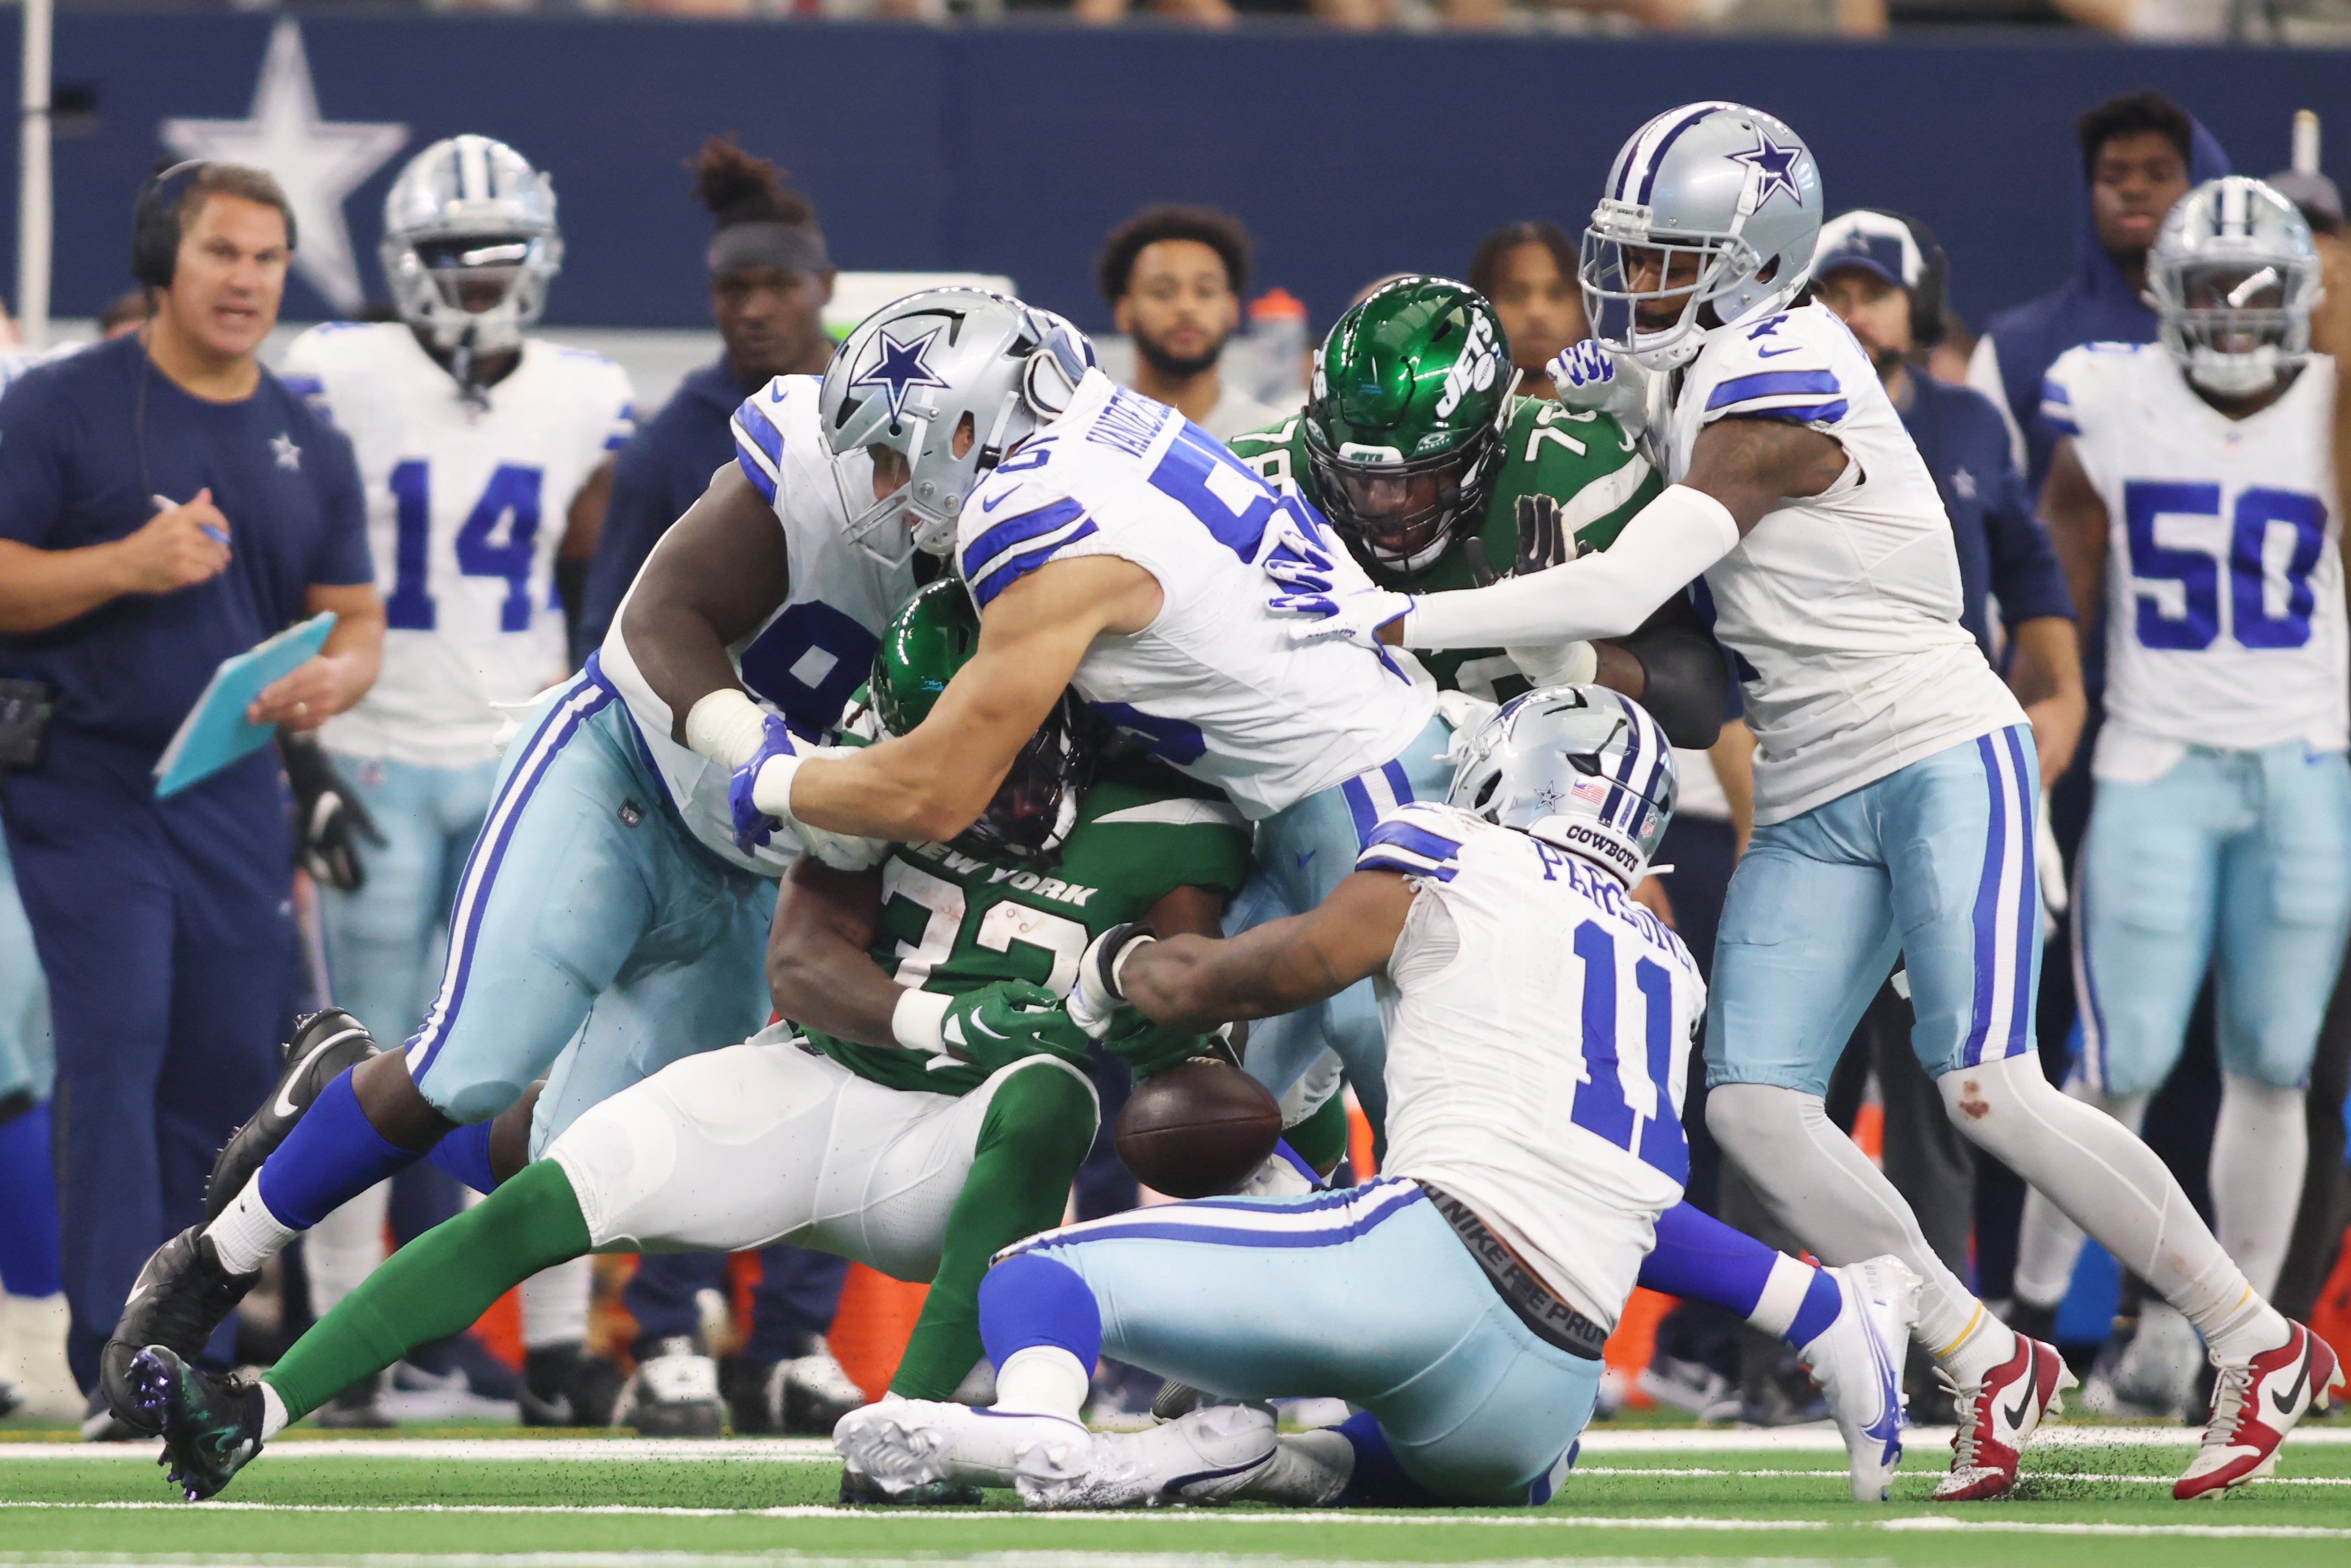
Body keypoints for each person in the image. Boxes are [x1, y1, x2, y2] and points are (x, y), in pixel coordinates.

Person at [1281, 101, 2340, 1501]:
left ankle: (2251, 1336)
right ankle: (1977, 1348)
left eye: (1660, 259)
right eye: (1627, 256)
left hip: (1931, 739)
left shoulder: (1782, 379)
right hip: (1810, 770)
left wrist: (1393, 618)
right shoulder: (1697, 350)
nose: (1627, 285)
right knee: (1754, 1108)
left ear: (1748, 261)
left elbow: (1619, 589)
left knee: (1985, 1082)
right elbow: (1590, 382)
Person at [734, 289, 1951, 1504]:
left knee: (1462, 1163)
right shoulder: (1104, 427)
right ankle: (1232, 1406)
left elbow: (939, 789)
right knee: (1228, 1113)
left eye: (900, 449)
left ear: (972, 424)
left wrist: (765, 771)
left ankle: (1806, 1315)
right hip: (1314, 794)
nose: (889, 485)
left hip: (1363, 796)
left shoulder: (1029, 510)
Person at [126, 579, 1253, 1499]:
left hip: (951, 1153)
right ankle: (256, 1408)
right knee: (547, 1192)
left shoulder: (1163, 822)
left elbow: (1188, 1049)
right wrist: (941, 1014)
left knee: (1055, 1092)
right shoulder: (870, 753)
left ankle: (900, 1445)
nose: (950, 775)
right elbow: (803, 964)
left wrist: (1148, 1004)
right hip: (815, 1079)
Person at [97, 312, 934, 1435]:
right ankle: (211, 1265)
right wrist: (759, 753)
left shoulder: (1018, 577)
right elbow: (657, 622)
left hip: (742, 868)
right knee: (469, 1066)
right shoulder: (807, 471)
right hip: (620, 769)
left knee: (601, 1182)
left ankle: (336, 1081)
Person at [836, 688, 1917, 1509]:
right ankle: (1244, 1457)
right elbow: (1608, 1190)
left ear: (1511, 772)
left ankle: (1041, 1433)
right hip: (1543, 1404)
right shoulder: (1661, 959)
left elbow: (1297, 963)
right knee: (1419, 1446)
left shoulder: (1454, 844)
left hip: (1431, 1262)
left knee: (1036, 1279)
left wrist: (1133, 968)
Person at [0, 160, 384, 1428]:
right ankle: (111, 1352)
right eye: (224, 253)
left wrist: (330, 684)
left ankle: (177, 1347)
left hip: (229, 788)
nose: (248, 280)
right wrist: (127, 563)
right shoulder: (60, 405)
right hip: (83, 780)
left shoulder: (305, 432)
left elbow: (358, 620)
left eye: (270, 258)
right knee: (115, 1045)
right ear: (165, 259)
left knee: (229, 1068)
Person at [266, 136, 634, 1427]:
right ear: (399, 266)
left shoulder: (588, 394)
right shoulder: (333, 372)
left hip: (516, 755)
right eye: (449, 264)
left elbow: (616, 560)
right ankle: (334, 1333)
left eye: (497, 262)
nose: (476, 287)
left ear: (540, 262)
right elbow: (283, 542)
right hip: (372, 747)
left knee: (532, 1051)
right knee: (364, 1049)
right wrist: (296, 738)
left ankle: (549, 1341)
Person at [2011, 181, 2351, 1397]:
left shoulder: (2332, 399)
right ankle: (2038, 1327)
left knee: (2271, 1062)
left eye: (2258, 288)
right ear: (2162, 294)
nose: (2230, 313)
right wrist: (2044, 691)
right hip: (2154, 757)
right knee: (2117, 1059)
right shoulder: (2109, 394)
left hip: (2305, 759)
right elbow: (2058, 549)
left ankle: (2240, 1350)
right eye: (2207, 287)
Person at [1809, 207, 2088, 1347]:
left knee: (1955, 1077)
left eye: (1871, 290)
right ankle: (1780, 1344)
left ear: (1913, 308)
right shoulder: (1771, 411)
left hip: (1937, 764)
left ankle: (1943, 1343)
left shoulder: (1968, 419)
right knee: (1784, 1077)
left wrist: (2057, 693)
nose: (1850, 309)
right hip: (1817, 771)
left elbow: (2026, 560)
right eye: (1831, 288)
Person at [577, 138, 838, 661]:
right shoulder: (665, 449)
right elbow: (611, 635)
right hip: (724, 724)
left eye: (781, 286)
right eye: (734, 290)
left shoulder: (890, 408)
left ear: (825, 288)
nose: (756, 310)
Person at [1967, 89, 2228, 495]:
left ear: (2206, 189)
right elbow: (1990, 516)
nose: (2133, 189)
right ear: (2086, 191)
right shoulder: (2013, 350)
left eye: (2158, 174)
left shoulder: (2261, 341)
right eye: (2112, 176)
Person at [1097, 206, 1281, 441]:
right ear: (1123, 312)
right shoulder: (1087, 435)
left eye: (1205, 292)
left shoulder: (1270, 440)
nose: (1186, 307)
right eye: (1162, 292)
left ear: (1233, 308)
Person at [1467, 223, 1588, 402]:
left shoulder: (1621, 421)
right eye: (1514, 295)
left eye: (1556, 294)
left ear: (1586, 312)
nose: (1537, 313)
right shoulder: (1450, 424)